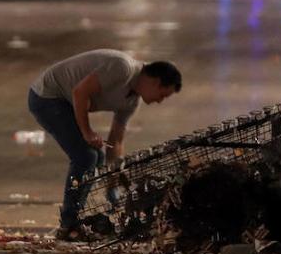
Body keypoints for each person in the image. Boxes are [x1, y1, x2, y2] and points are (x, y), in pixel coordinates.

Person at [27, 50, 181, 240]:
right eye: (162, 95)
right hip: (47, 95)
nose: (159, 101)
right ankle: (69, 224)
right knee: (85, 156)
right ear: (156, 82)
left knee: (98, 156)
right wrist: (87, 132)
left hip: (67, 101)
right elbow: (80, 92)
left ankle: (74, 221)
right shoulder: (122, 69)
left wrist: (113, 182)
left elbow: (115, 142)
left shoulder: (131, 102)